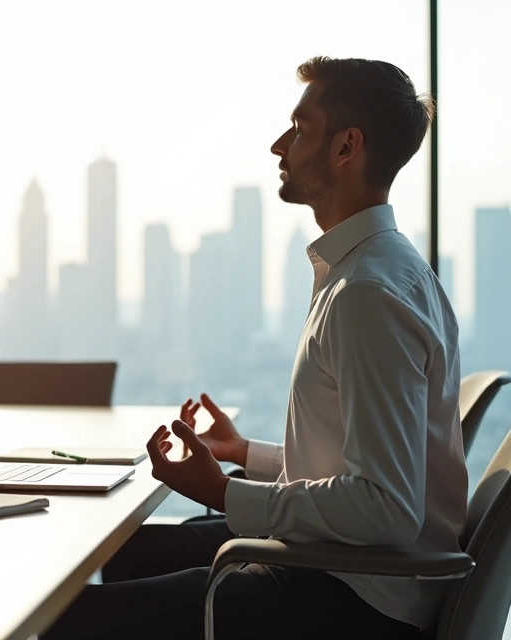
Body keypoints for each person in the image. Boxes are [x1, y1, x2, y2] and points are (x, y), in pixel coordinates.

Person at [45, 56, 463, 639]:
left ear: (346, 147)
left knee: (66, 619)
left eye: (298, 127)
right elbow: (356, 464)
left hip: (353, 597)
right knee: (125, 553)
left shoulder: (368, 293)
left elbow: (385, 509)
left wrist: (221, 490)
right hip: (344, 566)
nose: (278, 145)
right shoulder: (374, 272)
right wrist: (245, 452)